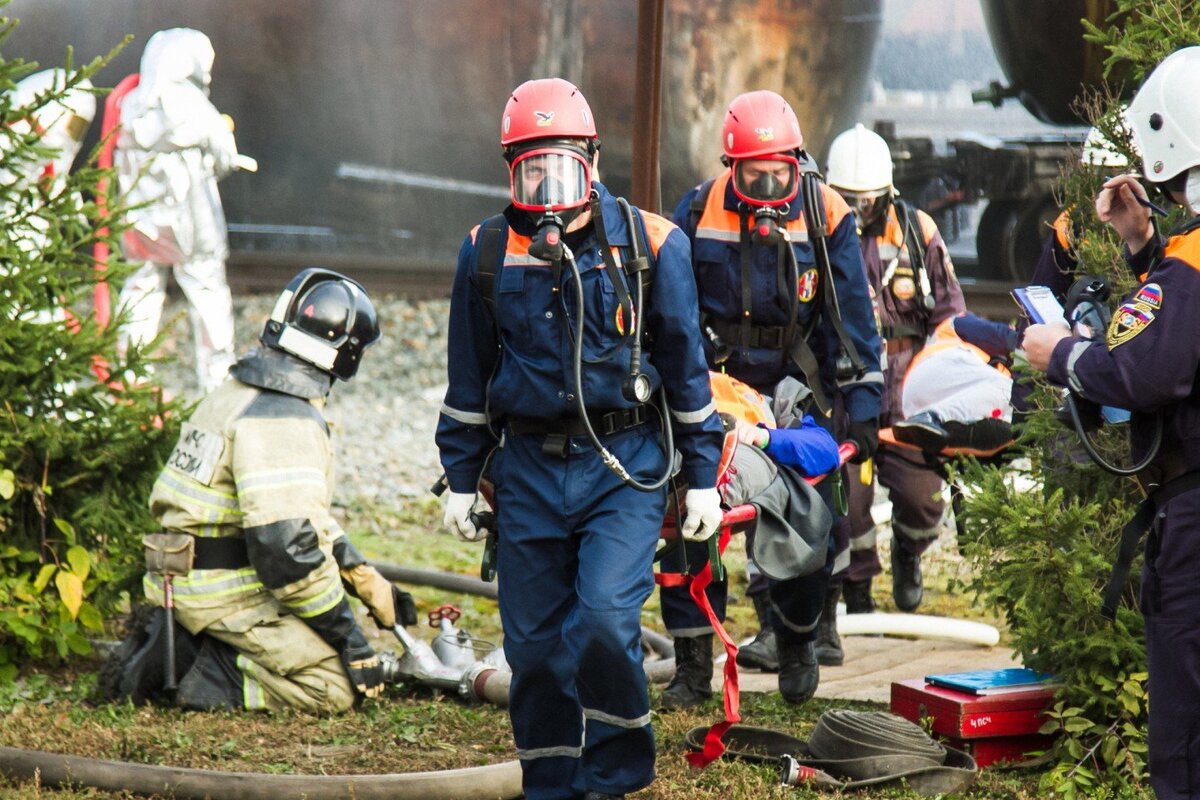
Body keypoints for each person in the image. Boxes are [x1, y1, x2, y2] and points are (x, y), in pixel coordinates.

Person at [436, 78, 723, 800]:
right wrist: (462, 480)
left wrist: (701, 480)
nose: (547, 189)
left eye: (561, 167)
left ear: (592, 161)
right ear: (510, 173)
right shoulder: (485, 252)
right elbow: (468, 379)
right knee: (533, 649)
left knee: (601, 620)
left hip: (623, 467)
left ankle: (616, 777)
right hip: (528, 471)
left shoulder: (653, 245)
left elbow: (687, 371)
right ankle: (552, 784)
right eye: (530, 170)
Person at [101, 268, 417, 713]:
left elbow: (293, 515)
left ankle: (188, 638)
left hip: (184, 575)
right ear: (347, 354)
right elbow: (287, 553)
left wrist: (361, 574)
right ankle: (195, 666)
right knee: (332, 685)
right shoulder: (283, 419)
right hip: (223, 590)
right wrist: (350, 638)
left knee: (318, 637)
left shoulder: (238, 392)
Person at [661, 90, 882, 703]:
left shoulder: (827, 214)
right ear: (730, 167)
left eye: (778, 174)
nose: (765, 189)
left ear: (797, 163)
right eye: (752, 175)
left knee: (810, 513)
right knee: (686, 511)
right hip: (715, 385)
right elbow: (670, 312)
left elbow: (852, 320)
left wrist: (863, 411)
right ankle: (692, 665)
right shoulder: (697, 210)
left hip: (794, 386)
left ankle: (797, 639)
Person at [1023, 46, 1200, 800]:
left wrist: (1061, 353)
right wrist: (1141, 245)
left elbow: (1146, 369)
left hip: (1195, 517)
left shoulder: (1193, 261)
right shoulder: (1182, 262)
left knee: (1186, 736)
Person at [825, 123, 964, 621]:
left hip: (908, 393)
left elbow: (950, 316)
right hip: (845, 394)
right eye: (846, 201)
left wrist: (943, 384)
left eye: (865, 203)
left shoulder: (916, 232)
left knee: (923, 500)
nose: (856, 213)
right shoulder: (818, 234)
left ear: (887, 194)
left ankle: (909, 550)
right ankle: (857, 588)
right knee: (846, 501)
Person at [114, 28, 252, 393]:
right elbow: (224, 158)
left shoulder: (131, 104)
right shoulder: (196, 108)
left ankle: (129, 378)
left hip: (139, 221)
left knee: (140, 286)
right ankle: (216, 382)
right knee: (207, 290)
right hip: (192, 222)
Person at [892, 315, 1016, 452]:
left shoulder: (988, 383)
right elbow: (1011, 340)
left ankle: (950, 430)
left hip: (917, 404)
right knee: (1010, 394)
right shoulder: (963, 323)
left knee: (1008, 414)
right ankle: (932, 417)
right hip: (934, 371)